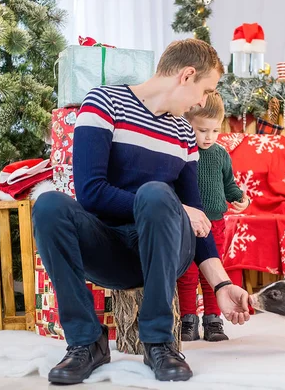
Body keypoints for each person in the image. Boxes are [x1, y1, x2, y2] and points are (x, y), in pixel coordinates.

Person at [32, 39, 250, 385]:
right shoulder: (103, 103)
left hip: (165, 250)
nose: (202, 102)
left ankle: (159, 341)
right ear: (186, 76)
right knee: (48, 205)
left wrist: (221, 284)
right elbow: (90, 193)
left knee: (156, 194)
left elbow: (197, 220)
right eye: (205, 90)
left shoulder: (183, 133)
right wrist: (173, 205)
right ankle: (86, 341)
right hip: (110, 250)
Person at [177, 92, 250, 342]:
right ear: (187, 124)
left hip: (216, 223)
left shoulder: (220, 154)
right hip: (186, 222)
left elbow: (229, 184)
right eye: (202, 130)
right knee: (187, 274)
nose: (209, 137)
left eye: (215, 130)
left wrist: (241, 197)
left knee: (213, 274)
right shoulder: (182, 151)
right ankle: (188, 320)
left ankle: (213, 320)